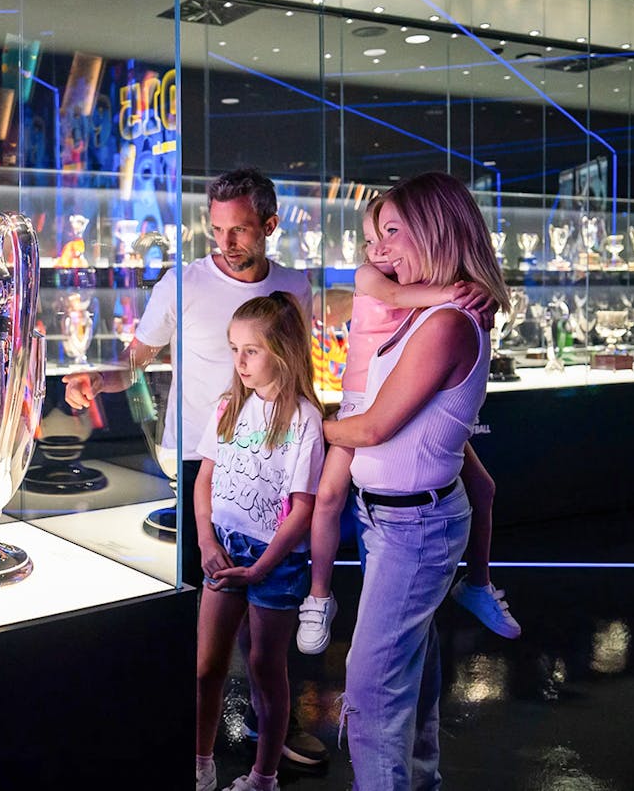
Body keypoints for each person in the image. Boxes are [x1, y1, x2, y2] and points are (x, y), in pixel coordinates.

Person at [63, 168, 324, 770]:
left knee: (272, 612)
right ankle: (192, 741)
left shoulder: (294, 285)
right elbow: (136, 362)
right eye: (216, 230)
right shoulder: (180, 283)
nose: (226, 243)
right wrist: (97, 381)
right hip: (201, 457)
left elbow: (298, 367)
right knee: (199, 601)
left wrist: (314, 436)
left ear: (270, 225)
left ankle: (270, 726)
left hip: (274, 460)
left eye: (239, 231)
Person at [322, 172, 511, 789]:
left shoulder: (449, 323)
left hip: (415, 524)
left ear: (435, 228)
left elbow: (373, 429)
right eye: (376, 233)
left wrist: (316, 427)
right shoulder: (430, 309)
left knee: (371, 687)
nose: (380, 248)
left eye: (394, 231)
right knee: (408, 674)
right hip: (392, 519)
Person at [296, 199, 520, 656]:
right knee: (331, 496)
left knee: (484, 487)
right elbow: (399, 300)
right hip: (363, 402)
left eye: (390, 235)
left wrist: (477, 298)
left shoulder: (424, 287)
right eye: (370, 240)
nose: (378, 249)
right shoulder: (374, 278)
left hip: (408, 401)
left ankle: (478, 581)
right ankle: (319, 594)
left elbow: (442, 316)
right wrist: (457, 294)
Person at [194, 293, 325, 791]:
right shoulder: (230, 407)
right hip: (223, 549)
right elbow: (204, 480)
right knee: (207, 665)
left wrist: (263, 566)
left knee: (265, 670)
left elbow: (303, 508)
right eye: (234, 349)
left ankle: (264, 776)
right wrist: (206, 541)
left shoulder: (306, 421)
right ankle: (202, 763)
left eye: (251, 350)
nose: (240, 361)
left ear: (283, 351)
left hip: (275, 560)